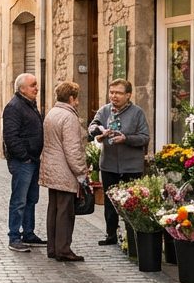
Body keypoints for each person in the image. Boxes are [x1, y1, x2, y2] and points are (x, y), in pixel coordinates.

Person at [87, 79, 150, 245]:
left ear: (128, 95)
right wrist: (98, 133)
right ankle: (111, 235)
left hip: (131, 166)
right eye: (111, 92)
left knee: (132, 202)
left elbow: (144, 137)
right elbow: (92, 127)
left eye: (118, 93)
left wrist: (126, 139)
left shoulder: (137, 113)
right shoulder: (104, 111)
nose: (114, 96)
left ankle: (132, 237)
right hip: (109, 165)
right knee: (110, 202)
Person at [39, 81, 88, 262]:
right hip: (64, 170)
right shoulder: (69, 117)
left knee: (54, 209)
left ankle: (53, 247)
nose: (78, 102)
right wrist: (81, 173)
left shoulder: (52, 113)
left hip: (52, 168)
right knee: (65, 212)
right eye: (77, 98)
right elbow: (73, 149)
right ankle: (63, 249)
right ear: (71, 98)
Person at [2, 73, 44, 252]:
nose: (37, 88)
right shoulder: (14, 107)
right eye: (33, 85)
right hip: (23, 162)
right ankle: (14, 237)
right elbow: (10, 137)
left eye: (36, 84)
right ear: (22, 89)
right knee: (19, 200)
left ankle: (28, 233)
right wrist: (24, 156)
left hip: (33, 160)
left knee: (31, 199)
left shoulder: (29, 104)